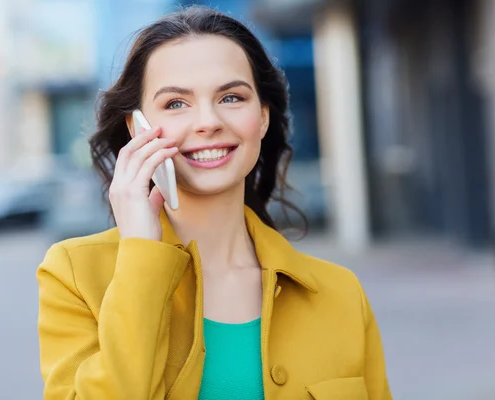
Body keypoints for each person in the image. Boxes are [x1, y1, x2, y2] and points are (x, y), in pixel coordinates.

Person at [37, 5, 392, 400]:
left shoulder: (340, 293)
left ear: (262, 117)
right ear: (137, 129)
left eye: (231, 97)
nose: (208, 122)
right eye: (175, 103)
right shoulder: (75, 276)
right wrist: (140, 255)